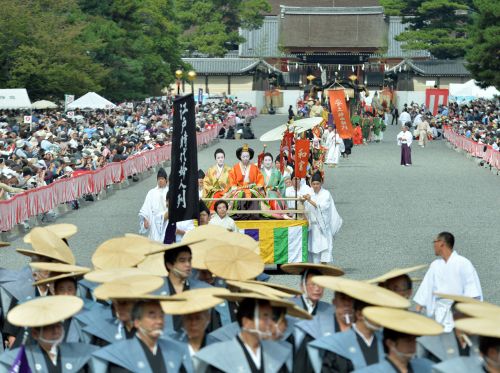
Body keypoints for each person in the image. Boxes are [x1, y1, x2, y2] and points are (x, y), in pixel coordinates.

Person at [307, 277, 411, 373]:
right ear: (360, 314)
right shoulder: (337, 345)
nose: (380, 318)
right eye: (375, 313)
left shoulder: (386, 342)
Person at [193, 293, 293, 373]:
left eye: (272, 317)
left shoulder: (279, 353)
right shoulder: (215, 356)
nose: (271, 323)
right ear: (246, 322)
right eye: (264, 317)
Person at [92, 298, 194, 372]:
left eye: (161, 316)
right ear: (137, 322)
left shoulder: (175, 350)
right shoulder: (118, 353)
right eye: (152, 316)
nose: (159, 321)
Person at [0, 296, 98, 372]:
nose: (56, 331)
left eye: (58, 325)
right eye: (49, 328)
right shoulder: (22, 358)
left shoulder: (78, 353)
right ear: (35, 333)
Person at [413, 232, 482, 332]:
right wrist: (416, 317)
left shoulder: (464, 263)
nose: (433, 245)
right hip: (439, 320)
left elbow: (473, 295)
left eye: (434, 242)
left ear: (441, 243)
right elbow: (425, 292)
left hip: (459, 318)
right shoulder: (435, 265)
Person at [353, 307, 440, 373]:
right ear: (390, 343)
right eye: (408, 341)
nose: (413, 345)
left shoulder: (426, 366)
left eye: (414, 340)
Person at [302, 172, 342, 264]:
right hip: (312, 226)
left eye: (317, 184)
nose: (315, 186)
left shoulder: (326, 194)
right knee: (313, 249)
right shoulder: (309, 193)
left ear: (321, 183)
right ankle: (315, 268)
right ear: (311, 184)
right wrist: (303, 200)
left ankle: (323, 268)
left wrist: (309, 200)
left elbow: (322, 207)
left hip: (322, 226)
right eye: (313, 184)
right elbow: (305, 208)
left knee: (324, 248)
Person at [139, 167, 169, 241]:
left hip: (167, 219)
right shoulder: (151, 192)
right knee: (155, 241)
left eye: (162, 179)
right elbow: (146, 206)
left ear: (166, 180)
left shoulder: (170, 191)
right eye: (159, 179)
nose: (160, 181)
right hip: (155, 221)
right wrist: (146, 219)